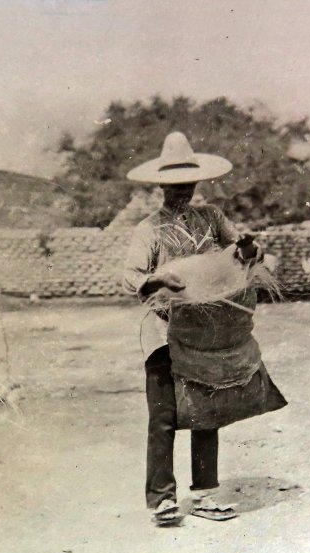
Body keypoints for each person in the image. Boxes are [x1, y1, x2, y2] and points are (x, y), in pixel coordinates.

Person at [122, 132, 287, 526]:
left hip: (207, 333)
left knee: (207, 410)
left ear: (197, 183)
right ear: (161, 185)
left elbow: (240, 249)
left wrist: (249, 251)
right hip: (164, 333)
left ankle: (205, 495)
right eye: (175, 185)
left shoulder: (211, 218)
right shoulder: (150, 229)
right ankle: (162, 498)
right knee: (163, 416)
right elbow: (130, 276)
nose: (182, 191)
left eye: (189, 184)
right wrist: (157, 282)